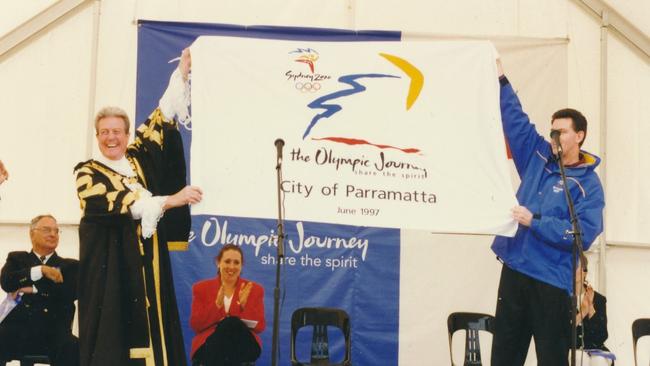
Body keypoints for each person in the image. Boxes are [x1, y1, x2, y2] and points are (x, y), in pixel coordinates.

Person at [74, 49, 202, 366]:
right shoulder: (88, 172)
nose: (111, 138)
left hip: (149, 265)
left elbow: (162, 116)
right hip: (112, 273)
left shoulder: (135, 160)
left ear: (127, 134)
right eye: (104, 132)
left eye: (117, 131)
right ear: (97, 136)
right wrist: (171, 200)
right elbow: (123, 204)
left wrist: (182, 74)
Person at [490, 59, 605, 366]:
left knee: (552, 360)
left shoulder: (588, 185)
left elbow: (583, 234)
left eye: (562, 132)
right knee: (503, 357)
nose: (554, 137)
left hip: (552, 282)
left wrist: (535, 222)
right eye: (552, 130)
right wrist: (501, 80)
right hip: (515, 271)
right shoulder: (537, 155)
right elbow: (516, 121)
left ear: (579, 136)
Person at [0, 214, 79, 365]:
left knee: (75, 348)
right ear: (32, 233)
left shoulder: (71, 266)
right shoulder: (16, 258)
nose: (53, 234)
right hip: (18, 330)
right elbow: (6, 282)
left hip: (54, 333)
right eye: (46, 230)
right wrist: (40, 270)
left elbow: (68, 292)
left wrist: (33, 288)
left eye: (56, 231)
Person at [190, 244, 266, 366]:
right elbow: (196, 325)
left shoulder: (254, 289)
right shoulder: (201, 288)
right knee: (227, 327)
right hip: (210, 346)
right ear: (218, 263)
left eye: (236, 262)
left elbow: (260, 327)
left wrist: (244, 306)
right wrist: (216, 306)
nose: (231, 266)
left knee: (232, 323)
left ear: (241, 266)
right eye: (227, 261)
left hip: (243, 344)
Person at [575, 255, 613, 366]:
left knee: (599, 361)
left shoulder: (599, 299)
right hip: (573, 351)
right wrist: (583, 312)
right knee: (578, 358)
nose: (572, 270)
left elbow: (602, 335)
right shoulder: (562, 298)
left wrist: (590, 309)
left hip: (596, 350)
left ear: (585, 272)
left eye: (576, 267)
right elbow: (562, 334)